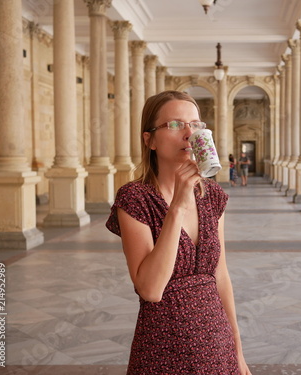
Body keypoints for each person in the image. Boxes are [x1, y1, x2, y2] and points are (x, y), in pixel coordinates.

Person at [106, 90, 250, 374]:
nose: (189, 133)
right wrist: (178, 207)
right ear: (150, 140)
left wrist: (238, 352)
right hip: (162, 349)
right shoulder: (135, 198)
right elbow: (150, 289)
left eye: (195, 124)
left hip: (216, 345)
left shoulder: (213, 196)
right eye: (174, 124)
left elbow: (220, 276)